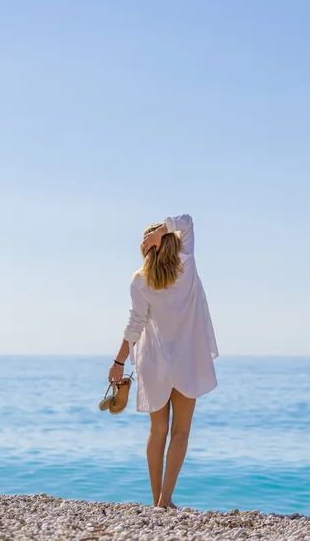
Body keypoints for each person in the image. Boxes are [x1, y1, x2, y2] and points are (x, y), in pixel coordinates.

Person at [108, 214, 219, 509]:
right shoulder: (187, 265)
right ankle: (165, 499)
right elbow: (188, 221)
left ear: (148, 248)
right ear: (170, 242)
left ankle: (155, 498)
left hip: (154, 364)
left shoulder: (141, 280)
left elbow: (134, 325)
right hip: (188, 361)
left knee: (157, 431)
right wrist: (161, 230)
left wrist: (119, 362)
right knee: (180, 432)